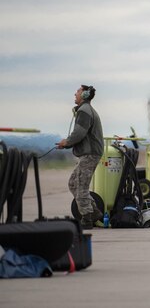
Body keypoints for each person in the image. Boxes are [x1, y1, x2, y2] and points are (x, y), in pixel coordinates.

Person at [57, 85, 104, 230]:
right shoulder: (86, 110)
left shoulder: (84, 111)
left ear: (84, 95)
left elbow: (79, 133)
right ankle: (94, 212)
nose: (75, 94)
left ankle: (87, 218)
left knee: (80, 185)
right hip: (88, 153)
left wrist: (67, 142)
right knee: (73, 183)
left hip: (90, 154)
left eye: (77, 92)